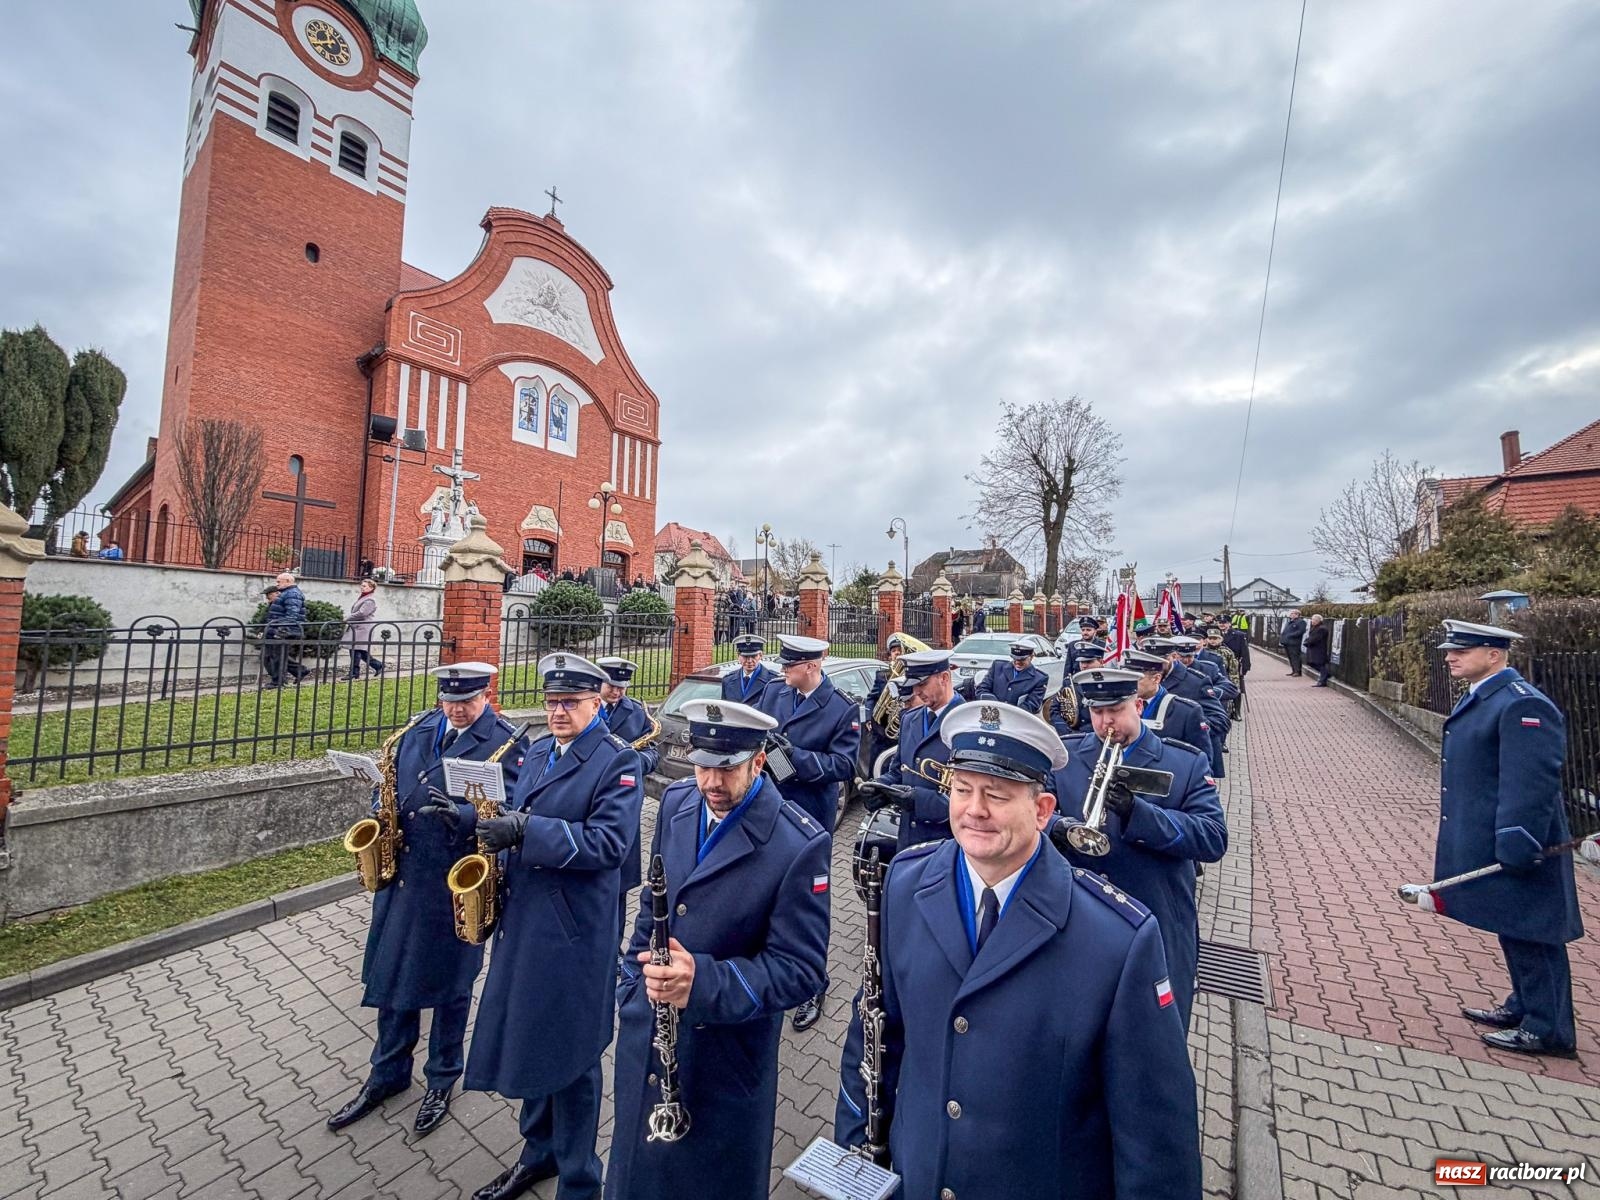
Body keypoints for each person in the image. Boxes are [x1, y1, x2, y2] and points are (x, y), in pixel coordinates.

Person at [863, 700, 1202, 1196]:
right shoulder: (904, 884)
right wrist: (859, 1155)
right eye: (962, 790)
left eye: (996, 795)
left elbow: (1155, 1141)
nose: (974, 810)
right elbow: (874, 1034)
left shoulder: (1119, 939)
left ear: (1043, 811)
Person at [606, 700, 830, 1200]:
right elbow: (655, 898)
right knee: (633, 1175)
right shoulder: (678, 802)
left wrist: (702, 982)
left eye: (727, 768)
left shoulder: (798, 843)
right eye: (703, 763)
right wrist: (630, 984)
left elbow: (801, 970)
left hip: (724, 1056)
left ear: (758, 761)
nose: (711, 782)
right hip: (650, 1037)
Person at [460, 653, 643, 1200]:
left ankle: (581, 1179)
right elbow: (516, 813)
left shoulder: (617, 762)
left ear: (596, 702)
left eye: (570, 702)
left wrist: (527, 831)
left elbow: (610, 845)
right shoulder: (539, 750)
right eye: (551, 701)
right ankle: (537, 1154)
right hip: (526, 923)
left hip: (573, 933)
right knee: (532, 1038)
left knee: (573, 1054)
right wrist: (474, 820)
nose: (558, 711)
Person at [328, 663, 529, 1137]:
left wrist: (462, 816)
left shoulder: (506, 741)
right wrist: (382, 804)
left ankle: (441, 1078)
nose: (457, 710)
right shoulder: (419, 727)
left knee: (450, 985)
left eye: (468, 701)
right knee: (394, 974)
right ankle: (388, 1073)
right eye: (450, 700)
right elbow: (396, 778)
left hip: (455, 882)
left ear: (486, 695)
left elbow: (514, 807)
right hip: (405, 876)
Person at [1047, 667, 1228, 1029]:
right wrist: (1062, 827)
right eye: (1097, 712)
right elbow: (1036, 812)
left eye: (1115, 710)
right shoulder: (1064, 757)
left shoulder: (1185, 762)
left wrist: (1139, 814)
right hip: (1078, 917)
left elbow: (1212, 838)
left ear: (1139, 705)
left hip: (1154, 917)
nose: (1105, 722)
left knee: (1153, 1031)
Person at [1433, 621, 1581, 1058]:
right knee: (1515, 927)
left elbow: (1530, 780)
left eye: (1462, 650)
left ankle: (1548, 1029)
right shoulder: (1487, 695)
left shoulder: (1520, 705)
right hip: (1499, 836)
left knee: (1535, 932)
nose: (1449, 657)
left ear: (1494, 654)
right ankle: (1525, 1005)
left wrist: (1518, 838)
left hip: (1524, 841)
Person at [756, 633, 860, 1030]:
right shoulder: (776, 694)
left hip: (810, 818)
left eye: (791, 665)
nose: (783, 670)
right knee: (767, 894)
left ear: (812, 667)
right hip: (770, 810)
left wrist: (794, 758)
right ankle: (774, 968)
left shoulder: (840, 709)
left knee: (809, 905)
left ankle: (814, 982)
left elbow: (844, 767)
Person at [598, 657, 662, 943]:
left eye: (622, 687)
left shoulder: (636, 712)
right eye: (612, 686)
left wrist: (632, 761)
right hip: (588, 802)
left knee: (620, 884)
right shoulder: (585, 708)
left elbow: (654, 751)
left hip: (623, 805)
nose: (617, 692)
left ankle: (615, 945)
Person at [1127, 647, 1211, 758]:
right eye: (1128, 678)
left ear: (1156, 679)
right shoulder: (1117, 707)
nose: (1130, 684)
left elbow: (1202, 759)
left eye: (1137, 679)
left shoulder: (1186, 712)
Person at [263, 572, 309, 688]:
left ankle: (278, 682)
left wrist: (282, 629)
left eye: (279, 582)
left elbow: (292, 614)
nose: (277, 584)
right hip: (279, 629)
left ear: (288, 581)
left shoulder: (292, 594)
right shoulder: (286, 593)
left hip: (284, 631)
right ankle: (299, 671)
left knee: (277, 656)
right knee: (276, 655)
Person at [976, 642, 1048, 712]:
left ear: (1031, 657)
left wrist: (1010, 714)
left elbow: (1032, 705)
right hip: (991, 714)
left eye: (1022, 659)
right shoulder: (997, 667)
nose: (1017, 662)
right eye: (1015, 658)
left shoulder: (1039, 678)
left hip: (1016, 720)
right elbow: (982, 689)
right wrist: (994, 705)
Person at [341, 578, 387, 680]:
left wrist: (347, 618)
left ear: (371, 588)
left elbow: (362, 613)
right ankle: (378, 666)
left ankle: (354, 673)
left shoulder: (370, 600)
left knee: (355, 650)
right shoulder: (364, 597)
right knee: (359, 651)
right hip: (358, 627)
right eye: (362, 585)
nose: (362, 587)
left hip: (362, 628)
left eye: (364, 586)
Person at [720, 633, 778, 704]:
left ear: (760, 655)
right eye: (745, 657)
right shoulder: (727, 680)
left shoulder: (773, 681)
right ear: (738, 656)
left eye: (753, 656)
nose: (749, 661)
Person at [1304, 613, 1331, 686]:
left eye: (1314, 620)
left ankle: (1323, 680)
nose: (1312, 621)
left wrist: (1307, 642)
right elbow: (1311, 637)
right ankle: (1326, 675)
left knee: (1319, 664)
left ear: (1318, 620)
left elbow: (1315, 639)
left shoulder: (1321, 629)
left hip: (1319, 649)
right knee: (1311, 663)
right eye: (1312, 619)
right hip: (1313, 649)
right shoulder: (1315, 628)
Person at [1279, 609, 1307, 676]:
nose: (1291, 615)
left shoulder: (1301, 622)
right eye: (1291, 613)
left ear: (1297, 614)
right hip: (1287, 642)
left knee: (1295, 657)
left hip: (1294, 643)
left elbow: (1301, 631)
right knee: (1290, 657)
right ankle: (1294, 670)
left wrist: (1291, 635)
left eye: (1292, 613)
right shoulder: (1290, 622)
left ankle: (1297, 671)